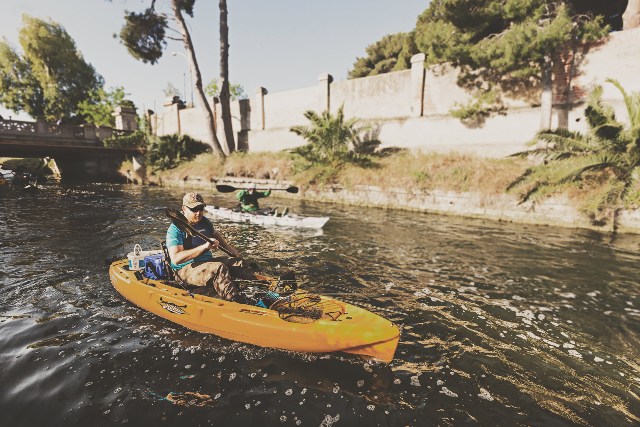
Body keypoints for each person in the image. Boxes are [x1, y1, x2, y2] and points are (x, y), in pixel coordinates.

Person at [166, 192, 253, 302]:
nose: (198, 213)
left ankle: (256, 289)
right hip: (184, 269)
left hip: (207, 262)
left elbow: (222, 243)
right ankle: (235, 301)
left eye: (201, 208)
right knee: (218, 268)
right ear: (184, 209)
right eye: (194, 209)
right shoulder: (175, 229)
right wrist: (205, 247)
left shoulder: (205, 222)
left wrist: (234, 253)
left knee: (238, 263)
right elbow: (176, 259)